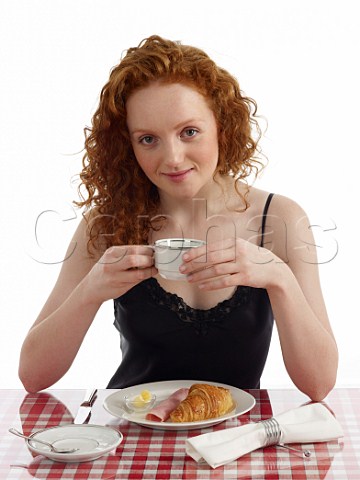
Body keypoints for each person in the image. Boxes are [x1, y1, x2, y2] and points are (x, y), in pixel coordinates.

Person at [19, 35, 338, 400]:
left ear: (222, 125)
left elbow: (319, 384)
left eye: (189, 132)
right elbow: (33, 375)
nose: (172, 157)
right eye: (148, 139)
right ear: (127, 145)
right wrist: (90, 290)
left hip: (236, 444)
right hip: (133, 439)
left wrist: (278, 277)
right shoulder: (107, 222)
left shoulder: (278, 219)